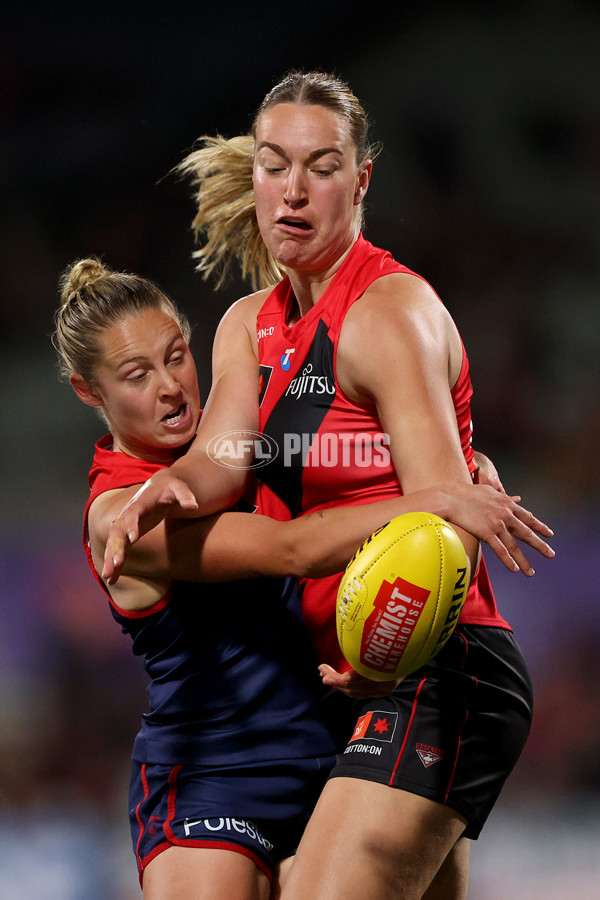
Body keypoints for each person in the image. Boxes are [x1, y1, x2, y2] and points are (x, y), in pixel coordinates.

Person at [102, 71, 555, 899]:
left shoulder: (387, 313)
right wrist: (175, 487)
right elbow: (227, 454)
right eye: (275, 166)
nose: (294, 191)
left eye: (322, 166)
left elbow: (444, 526)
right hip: (344, 687)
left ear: (362, 179)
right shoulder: (248, 324)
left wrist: (386, 651)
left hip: (437, 670)